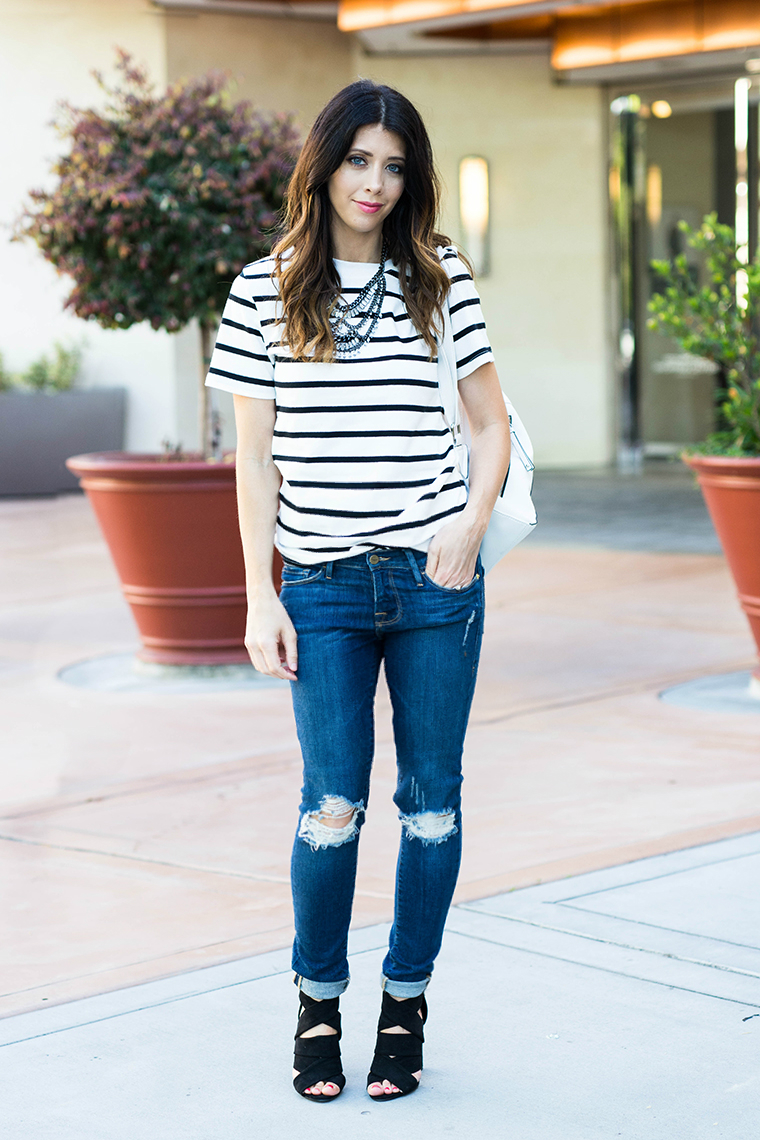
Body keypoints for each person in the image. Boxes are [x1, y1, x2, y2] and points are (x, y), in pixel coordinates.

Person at [205, 79, 510, 1103]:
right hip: (324, 585)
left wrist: (469, 527)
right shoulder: (264, 287)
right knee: (331, 804)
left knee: (430, 806)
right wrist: (259, 594)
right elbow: (254, 461)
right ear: (324, 165)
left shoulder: (440, 276)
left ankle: (407, 1002)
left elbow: (488, 425)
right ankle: (318, 1000)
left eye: (393, 165)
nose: (375, 183)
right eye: (358, 161)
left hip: (435, 579)